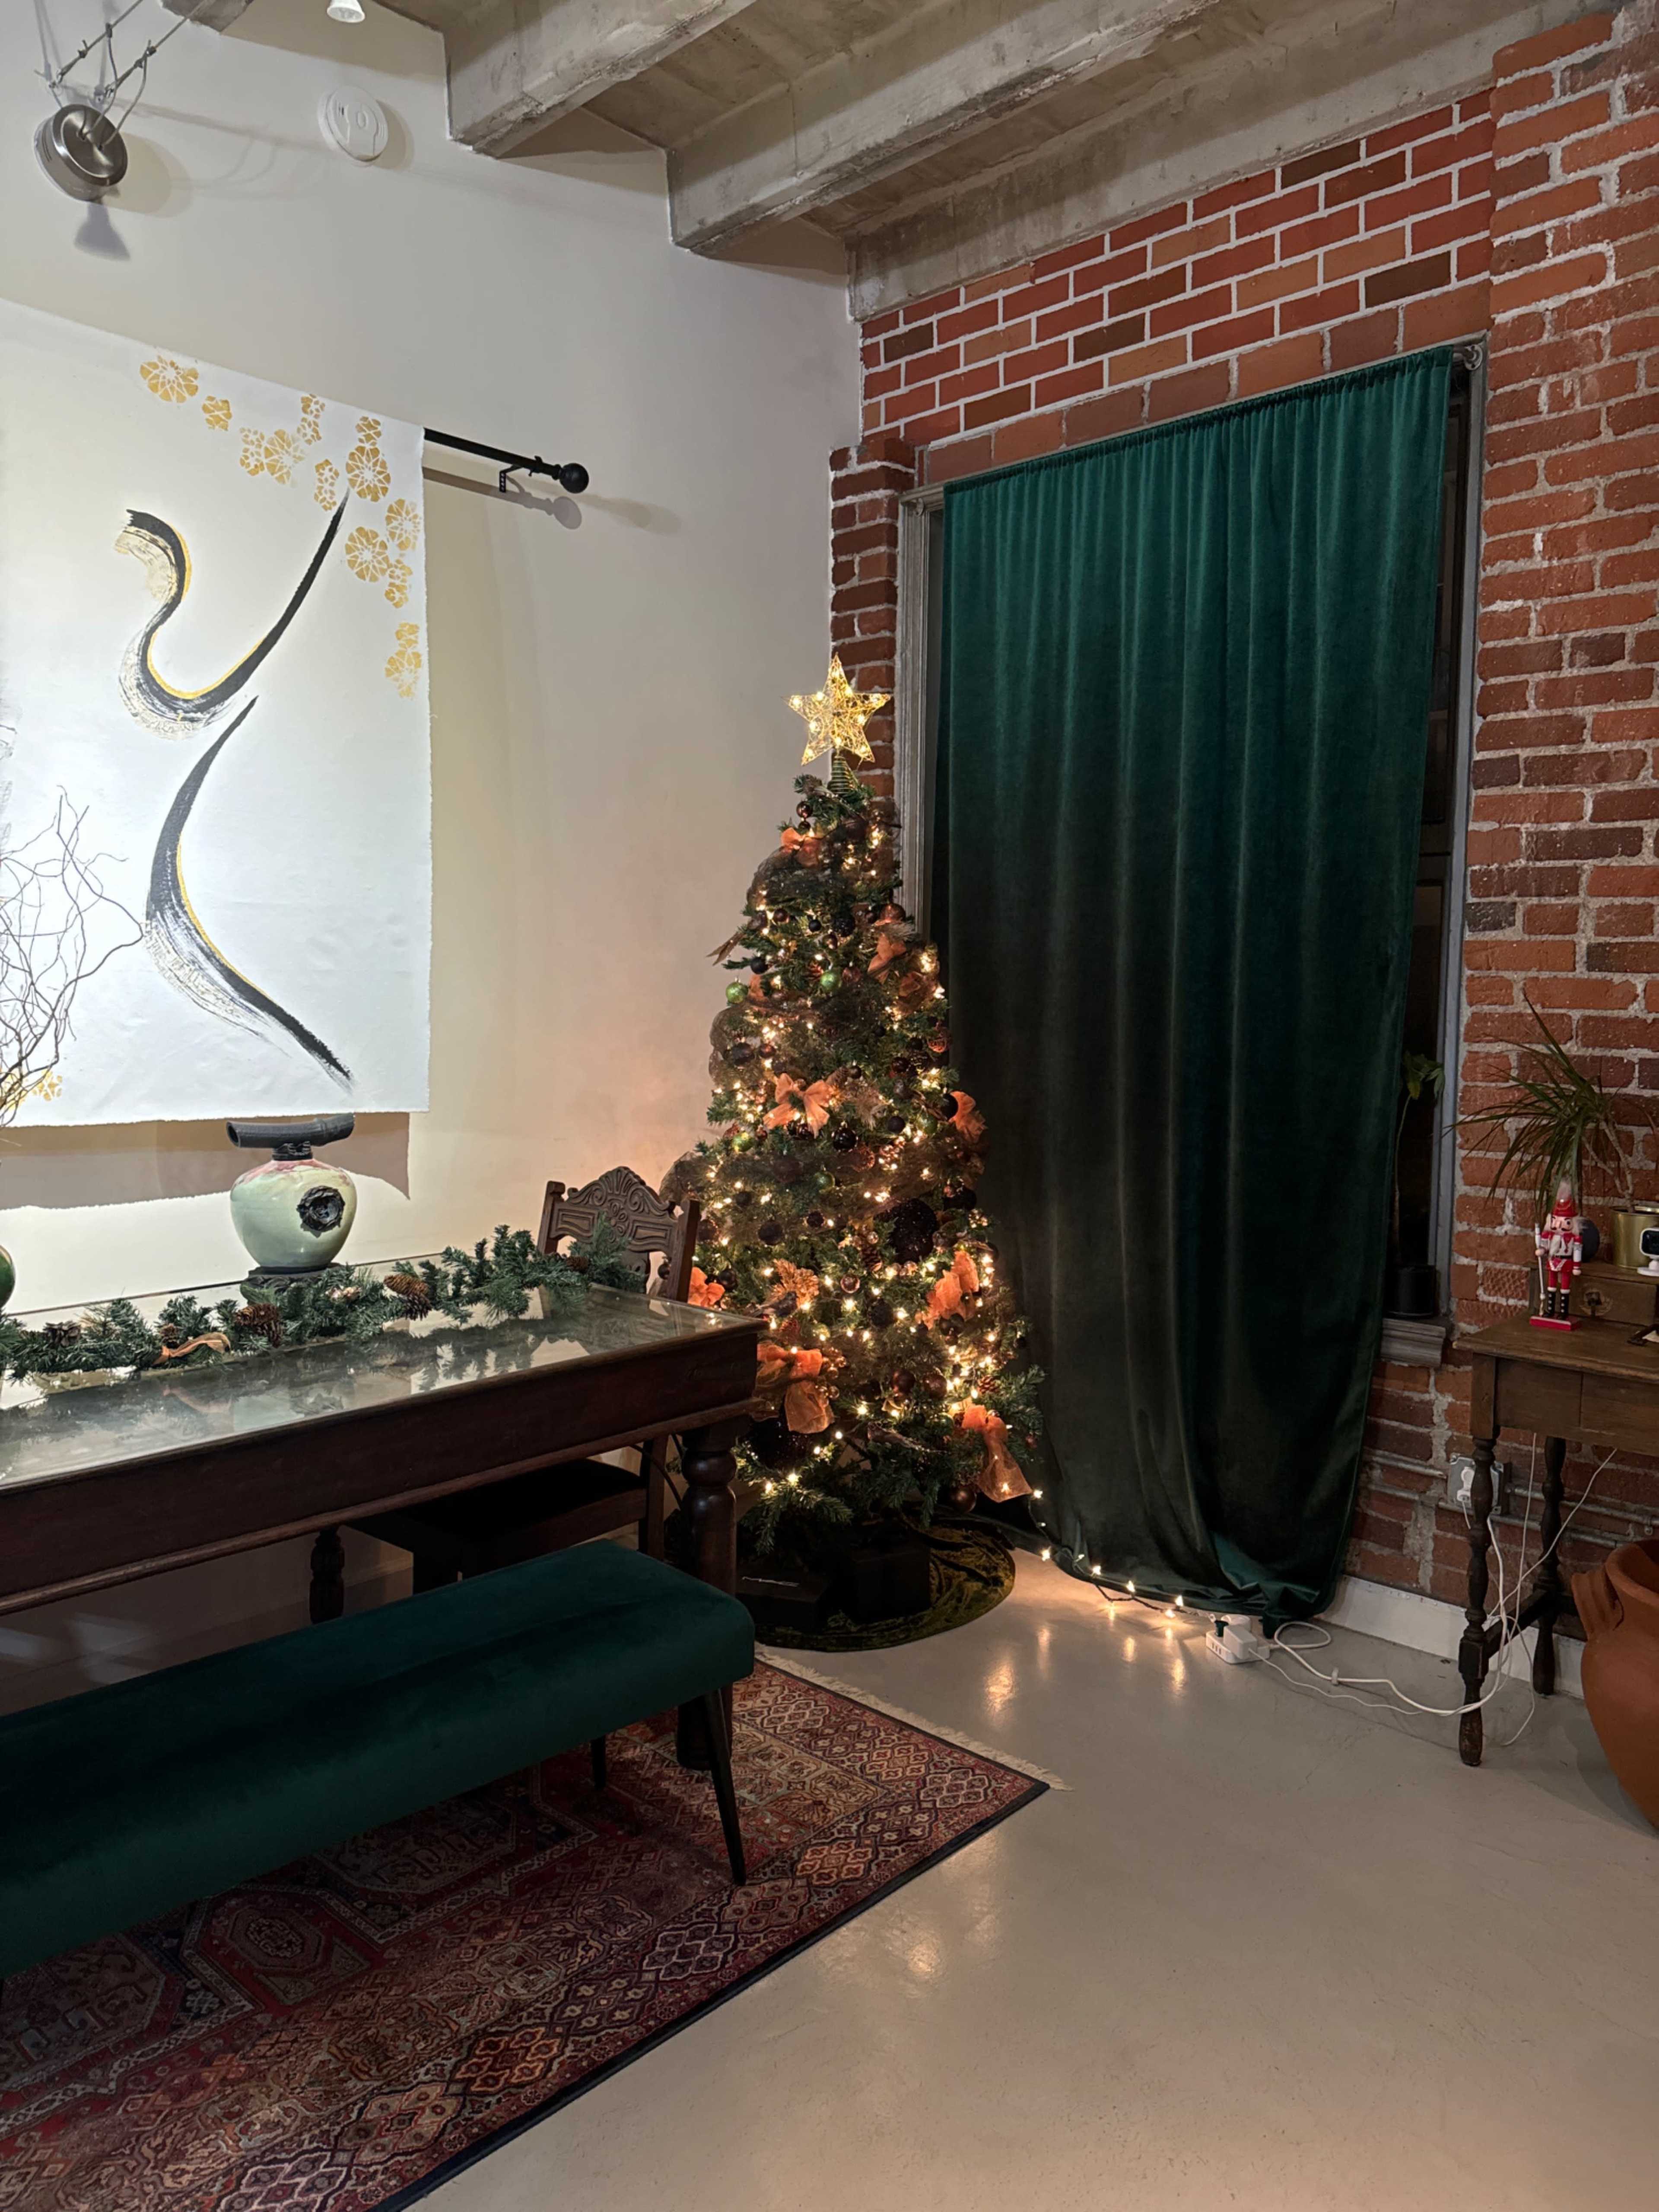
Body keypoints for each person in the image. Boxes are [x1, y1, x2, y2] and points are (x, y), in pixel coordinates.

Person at [1535, 1177, 1583, 1325]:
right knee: (1551, 1285)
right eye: (1556, 1220)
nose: (1559, 1225)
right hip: (1553, 1261)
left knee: (1565, 1287)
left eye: (1565, 1222)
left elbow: (1577, 1251)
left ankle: (1563, 1312)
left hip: (1566, 1263)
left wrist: (1576, 1266)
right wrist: (1542, 1250)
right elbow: (1544, 1246)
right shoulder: (1549, 1235)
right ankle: (1550, 1309)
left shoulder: (1574, 1238)